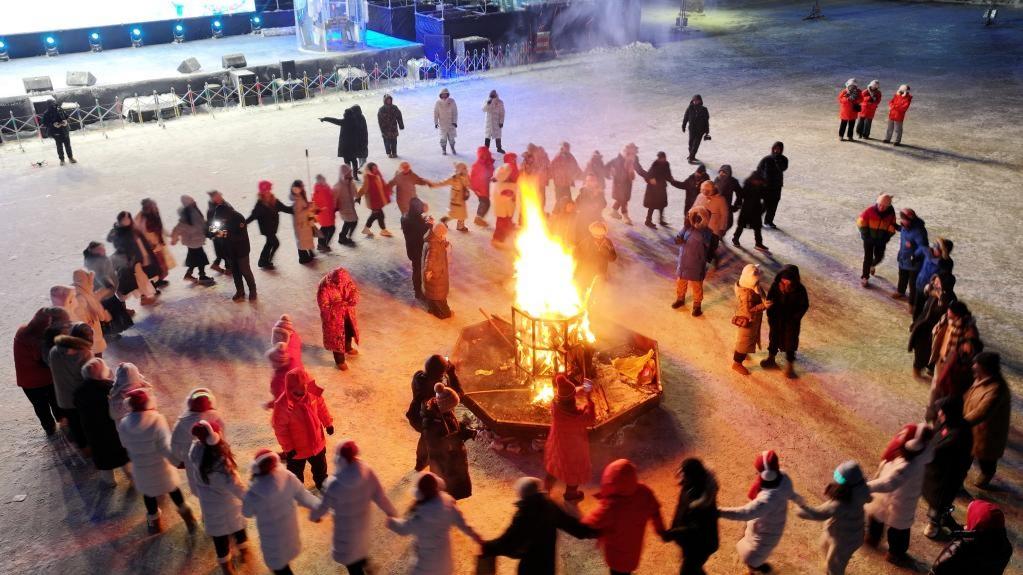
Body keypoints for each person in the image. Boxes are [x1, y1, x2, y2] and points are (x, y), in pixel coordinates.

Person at [310, 440, 398, 575]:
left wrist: (315, 516)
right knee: (360, 548)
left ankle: (363, 566)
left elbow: (323, 506)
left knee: (352, 563)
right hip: (362, 524)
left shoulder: (333, 484)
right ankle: (366, 563)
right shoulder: (367, 471)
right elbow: (380, 496)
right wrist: (391, 511)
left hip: (345, 531)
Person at [117, 388, 197, 534]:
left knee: (149, 494)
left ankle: (155, 522)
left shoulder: (123, 423)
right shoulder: (157, 419)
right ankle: (187, 515)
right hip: (161, 468)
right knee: (173, 489)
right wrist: (178, 462)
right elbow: (165, 447)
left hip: (141, 468)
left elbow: (124, 444)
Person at [482, 477, 598, 575]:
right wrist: (594, 530)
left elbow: (509, 541)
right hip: (547, 563)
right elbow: (572, 525)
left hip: (530, 566)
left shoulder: (523, 515)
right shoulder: (549, 506)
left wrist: (489, 547)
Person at [718, 450, 804, 575]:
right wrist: (801, 502)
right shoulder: (784, 478)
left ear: (766, 475)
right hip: (768, 527)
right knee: (752, 552)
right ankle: (758, 566)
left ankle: (755, 570)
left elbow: (745, 513)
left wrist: (718, 512)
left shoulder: (767, 499)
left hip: (765, 535)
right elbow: (791, 494)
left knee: (751, 558)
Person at [865, 423, 935, 566]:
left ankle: (895, 553)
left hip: (899, 502)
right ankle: (874, 539)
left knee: (898, 530)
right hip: (889, 499)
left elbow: (889, 483)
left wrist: (864, 487)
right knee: (879, 519)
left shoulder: (908, 466)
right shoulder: (917, 456)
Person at [243, 450, 322, 575]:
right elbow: (303, 495)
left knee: (280, 568)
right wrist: (317, 508)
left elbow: (247, 512)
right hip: (290, 532)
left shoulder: (254, 490)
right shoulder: (287, 476)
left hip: (271, 540)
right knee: (284, 563)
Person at [386, 472, 483, 572]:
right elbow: (464, 526)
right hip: (445, 564)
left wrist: (391, 522)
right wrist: (478, 538)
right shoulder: (448, 505)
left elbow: (403, 529)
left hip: (424, 568)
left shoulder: (419, 516)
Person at [583, 459, 666, 575]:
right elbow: (655, 511)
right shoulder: (644, 492)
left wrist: (578, 525)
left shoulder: (612, 506)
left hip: (616, 556)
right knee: (627, 570)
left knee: (617, 572)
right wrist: (660, 529)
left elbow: (593, 521)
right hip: (634, 552)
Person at [186, 421, 249, 575]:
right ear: (214, 437)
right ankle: (243, 549)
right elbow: (237, 487)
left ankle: (225, 566)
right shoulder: (221, 465)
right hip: (229, 506)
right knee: (239, 528)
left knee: (219, 537)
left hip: (209, 505)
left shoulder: (195, 451)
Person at [795, 461, 871, 575]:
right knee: (824, 545)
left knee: (835, 563)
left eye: (839, 479)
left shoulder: (841, 505)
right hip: (846, 533)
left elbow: (819, 514)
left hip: (845, 540)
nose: (835, 480)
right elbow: (869, 497)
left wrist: (801, 509)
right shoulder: (862, 490)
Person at [271, 368, 334, 490]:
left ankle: (323, 484)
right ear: (289, 389)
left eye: (304, 391)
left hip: (317, 443)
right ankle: (296, 490)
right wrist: (288, 447)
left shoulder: (312, 392)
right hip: (297, 449)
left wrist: (328, 423)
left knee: (320, 468)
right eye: (297, 393)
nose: (302, 395)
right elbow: (280, 429)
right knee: (295, 474)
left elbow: (321, 407)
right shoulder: (282, 405)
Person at [922, 398, 973, 539]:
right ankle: (942, 518)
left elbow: (938, 451)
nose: (939, 415)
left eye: (942, 412)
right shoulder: (947, 423)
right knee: (936, 499)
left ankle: (934, 525)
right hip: (934, 472)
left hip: (946, 477)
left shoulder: (959, 433)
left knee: (938, 502)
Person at [75, 358, 131, 485]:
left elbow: (77, 407)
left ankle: (109, 481)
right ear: (102, 373)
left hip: (93, 431)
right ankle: (129, 474)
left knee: (103, 457)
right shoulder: (110, 388)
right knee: (121, 454)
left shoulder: (79, 391)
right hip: (112, 430)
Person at [543, 374, 595, 502]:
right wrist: (589, 399)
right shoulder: (577, 419)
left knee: (554, 467)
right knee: (573, 473)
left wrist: (580, 388)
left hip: (557, 445)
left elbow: (566, 395)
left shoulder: (555, 406)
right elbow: (590, 418)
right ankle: (571, 493)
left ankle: (545, 490)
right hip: (573, 452)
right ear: (572, 399)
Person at [406, 355, 463, 472]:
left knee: (424, 438)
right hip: (434, 423)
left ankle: (420, 463)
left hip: (418, 416)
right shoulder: (439, 393)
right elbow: (459, 394)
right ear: (441, 374)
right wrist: (452, 373)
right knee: (435, 445)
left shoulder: (418, 377)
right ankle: (434, 467)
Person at [664, 458, 719, 575]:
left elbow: (695, 529)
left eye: (684, 473)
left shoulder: (701, 501)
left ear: (693, 476)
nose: (680, 474)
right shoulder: (691, 485)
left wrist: (674, 533)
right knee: (694, 569)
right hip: (690, 542)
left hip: (701, 545)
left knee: (687, 571)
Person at [963, 351, 1011, 489]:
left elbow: (981, 413)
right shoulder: (980, 378)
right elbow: (968, 396)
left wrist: (959, 424)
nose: (973, 367)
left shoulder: (997, 389)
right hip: (971, 428)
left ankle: (987, 475)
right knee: (965, 456)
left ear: (985, 368)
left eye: (976, 366)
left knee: (986, 459)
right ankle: (960, 479)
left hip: (988, 433)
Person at [928, 500, 1013, 575]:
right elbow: (980, 536)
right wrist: (954, 526)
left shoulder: (956, 550)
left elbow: (936, 571)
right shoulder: (1006, 548)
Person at [421, 382, 475, 499]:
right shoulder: (430, 421)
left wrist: (464, 429)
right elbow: (436, 444)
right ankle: (446, 505)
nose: (453, 409)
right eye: (452, 406)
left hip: (454, 459)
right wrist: (459, 435)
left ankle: (451, 502)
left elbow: (452, 426)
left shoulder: (445, 412)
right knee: (448, 491)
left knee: (458, 488)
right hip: (444, 464)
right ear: (444, 406)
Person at [13, 308, 62, 436]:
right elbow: (44, 360)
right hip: (44, 380)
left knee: (40, 407)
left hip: (26, 382)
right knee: (55, 402)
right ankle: (62, 423)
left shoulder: (22, 330)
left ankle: (49, 428)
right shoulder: (38, 339)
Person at [49, 321, 94, 451]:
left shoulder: (54, 350)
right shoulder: (84, 353)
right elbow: (89, 378)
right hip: (80, 398)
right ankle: (89, 446)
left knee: (74, 423)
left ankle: (83, 447)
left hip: (62, 396)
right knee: (85, 423)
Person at [763, 265, 810, 379]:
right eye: (784, 279)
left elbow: (804, 306)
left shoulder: (800, 289)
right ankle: (771, 358)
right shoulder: (775, 286)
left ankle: (790, 365)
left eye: (788, 279)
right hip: (776, 319)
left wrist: (795, 318)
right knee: (773, 338)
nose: (785, 281)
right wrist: (770, 313)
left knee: (791, 342)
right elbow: (769, 299)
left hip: (791, 322)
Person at [908, 273, 956, 379]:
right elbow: (923, 298)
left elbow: (946, 310)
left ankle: (930, 369)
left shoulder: (949, 299)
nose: (935, 283)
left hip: (936, 332)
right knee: (920, 351)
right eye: (935, 281)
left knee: (933, 352)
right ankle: (917, 371)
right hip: (923, 329)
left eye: (938, 282)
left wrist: (939, 296)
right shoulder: (934, 292)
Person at [107, 211, 159, 305]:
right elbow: (110, 239)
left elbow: (140, 245)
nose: (126, 221)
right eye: (124, 219)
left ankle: (143, 297)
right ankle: (141, 298)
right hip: (129, 260)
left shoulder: (130, 232)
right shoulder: (122, 232)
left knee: (138, 278)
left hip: (133, 259)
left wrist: (145, 257)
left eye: (127, 219)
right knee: (135, 279)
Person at [82, 241, 134, 335]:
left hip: (108, 291)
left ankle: (116, 324)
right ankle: (112, 332)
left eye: (103, 248)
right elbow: (100, 275)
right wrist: (108, 284)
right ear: (94, 251)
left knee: (116, 308)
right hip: (104, 294)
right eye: (101, 250)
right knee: (111, 313)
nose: (104, 250)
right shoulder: (95, 263)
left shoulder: (101, 258)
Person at [929, 301, 980, 398]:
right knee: (935, 387)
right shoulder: (945, 319)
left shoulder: (969, 329)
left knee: (947, 390)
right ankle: (933, 408)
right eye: (948, 312)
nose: (948, 314)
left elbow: (972, 351)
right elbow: (935, 331)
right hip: (940, 358)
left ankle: (939, 408)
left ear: (958, 315)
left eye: (950, 314)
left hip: (953, 365)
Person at [672, 207, 713, 317]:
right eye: (694, 217)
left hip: (697, 263)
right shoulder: (687, 228)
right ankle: (680, 299)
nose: (695, 219)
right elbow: (677, 237)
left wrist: (698, 228)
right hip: (684, 262)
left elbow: (706, 243)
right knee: (681, 282)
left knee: (697, 286)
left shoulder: (707, 232)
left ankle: (697, 305)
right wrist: (678, 239)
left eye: (699, 218)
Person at [171, 388, 227, 469]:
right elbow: (224, 438)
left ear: (190, 402)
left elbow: (175, 445)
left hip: (191, 463)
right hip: (215, 459)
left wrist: (180, 460)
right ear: (210, 401)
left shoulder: (182, 423)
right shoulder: (217, 418)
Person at [317, 267, 361, 370]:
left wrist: (353, 298)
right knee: (337, 339)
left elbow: (353, 290)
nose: (342, 285)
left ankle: (348, 347)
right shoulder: (324, 287)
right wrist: (339, 306)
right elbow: (324, 306)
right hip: (333, 319)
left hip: (347, 314)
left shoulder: (346, 281)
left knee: (348, 331)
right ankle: (340, 361)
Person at [732, 264, 772, 375]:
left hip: (751, 320)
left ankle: (741, 352)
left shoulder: (745, 285)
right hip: (748, 321)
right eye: (756, 282)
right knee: (744, 341)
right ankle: (737, 363)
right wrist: (764, 306)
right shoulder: (746, 295)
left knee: (745, 342)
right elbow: (749, 310)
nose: (758, 284)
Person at [245, 181, 293, 270]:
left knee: (269, 243)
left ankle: (263, 261)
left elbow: (286, 209)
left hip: (273, 228)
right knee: (275, 243)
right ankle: (266, 261)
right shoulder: (259, 205)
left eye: (268, 190)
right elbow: (253, 216)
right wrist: (244, 223)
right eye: (265, 191)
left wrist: (297, 208)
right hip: (267, 229)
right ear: (261, 192)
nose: (267, 192)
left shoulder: (274, 201)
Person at [170, 195, 215, 284]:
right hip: (194, 241)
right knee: (201, 258)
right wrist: (174, 238)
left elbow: (201, 224)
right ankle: (202, 276)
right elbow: (200, 224)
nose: (194, 201)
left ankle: (190, 274)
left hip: (193, 241)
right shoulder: (190, 213)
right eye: (192, 200)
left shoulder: (191, 211)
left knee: (194, 259)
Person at [856, 193, 897, 287]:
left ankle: (872, 265)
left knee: (879, 257)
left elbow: (892, 226)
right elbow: (860, 222)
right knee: (868, 258)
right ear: (877, 203)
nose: (881, 207)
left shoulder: (891, 213)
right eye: (880, 205)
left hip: (881, 240)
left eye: (884, 206)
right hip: (868, 239)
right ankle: (865, 277)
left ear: (888, 206)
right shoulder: (869, 210)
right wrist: (866, 236)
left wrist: (886, 238)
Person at [635, 151, 684, 229]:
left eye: (664, 158)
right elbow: (649, 176)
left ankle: (661, 220)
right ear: (659, 158)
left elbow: (668, 174)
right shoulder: (655, 165)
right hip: (653, 189)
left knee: (662, 205)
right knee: (652, 205)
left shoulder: (666, 164)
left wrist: (671, 179)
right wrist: (651, 180)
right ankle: (648, 220)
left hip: (661, 187)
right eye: (662, 158)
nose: (663, 159)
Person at [220, 203, 257, 302]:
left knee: (245, 271)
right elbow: (212, 229)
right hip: (229, 251)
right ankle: (240, 291)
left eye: (223, 218)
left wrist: (224, 234)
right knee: (236, 272)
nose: (222, 221)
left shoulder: (238, 218)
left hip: (242, 250)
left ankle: (253, 290)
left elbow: (241, 236)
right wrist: (212, 230)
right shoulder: (220, 217)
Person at [71, 269, 112, 355]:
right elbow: (91, 307)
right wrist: (103, 315)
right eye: (88, 281)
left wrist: (104, 290)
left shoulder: (82, 291)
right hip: (90, 328)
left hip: (89, 328)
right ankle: (98, 366)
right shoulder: (81, 297)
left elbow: (94, 300)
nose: (91, 284)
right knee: (95, 349)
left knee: (94, 348)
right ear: (85, 281)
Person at [320, 105, 368, 178]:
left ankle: (348, 175)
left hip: (345, 147)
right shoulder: (355, 122)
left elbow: (334, 120)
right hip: (353, 146)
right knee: (354, 161)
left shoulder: (344, 121)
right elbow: (361, 132)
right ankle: (355, 175)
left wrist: (325, 118)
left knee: (347, 162)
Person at [401, 198, 434, 300]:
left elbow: (416, 223)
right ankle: (418, 292)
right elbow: (424, 232)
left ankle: (418, 289)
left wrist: (424, 220)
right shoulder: (417, 222)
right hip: (418, 250)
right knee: (418, 270)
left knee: (416, 268)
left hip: (410, 248)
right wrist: (430, 224)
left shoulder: (405, 217)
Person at [136, 198, 174, 286]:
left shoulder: (155, 214)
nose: (155, 207)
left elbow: (160, 228)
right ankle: (154, 284)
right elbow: (140, 232)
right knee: (155, 266)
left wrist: (171, 235)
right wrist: (147, 243)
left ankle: (159, 280)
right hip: (150, 246)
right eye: (153, 206)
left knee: (162, 265)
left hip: (157, 243)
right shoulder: (142, 217)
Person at [893, 208, 928, 303]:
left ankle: (912, 303)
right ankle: (901, 291)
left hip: (914, 261)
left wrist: (913, 251)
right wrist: (895, 226)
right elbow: (902, 229)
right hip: (903, 258)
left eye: (904, 219)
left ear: (910, 220)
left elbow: (923, 247)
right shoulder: (905, 226)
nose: (902, 221)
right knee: (902, 276)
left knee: (913, 283)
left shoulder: (919, 231)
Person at [914, 238, 955, 317]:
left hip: (932, 290)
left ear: (943, 251)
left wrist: (932, 286)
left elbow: (944, 278)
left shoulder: (946, 263)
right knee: (917, 307)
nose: (934, 248)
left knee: (929, 310)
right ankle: (915, 322)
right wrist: (914, 257)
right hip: (920, 284)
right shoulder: (929, 252)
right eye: (935, 246)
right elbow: (922, 249)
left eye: (937, 247)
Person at [691, 180, 729, 266]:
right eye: (703, 190)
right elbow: (694, 208)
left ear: (712, 190)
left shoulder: (720, 199)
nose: (705, 193)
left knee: (711, 248)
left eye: (707, 191)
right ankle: (702, 262)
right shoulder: (700, 196)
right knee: (700, 246)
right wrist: (691, 220)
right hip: (701, 227)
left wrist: (722, 228)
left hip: (714, 229)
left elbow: (724, 215)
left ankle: (712, 260)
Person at [731, 172, 769, 252]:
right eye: (756, 180)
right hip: (746, 209)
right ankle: (735, 239)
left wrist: (762, 210)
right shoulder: (747, 185)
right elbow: (741, 195)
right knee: (741, 225)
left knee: (757, 228)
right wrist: (738, 205)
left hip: (756, 210)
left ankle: (758, 244)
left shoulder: (761, 186)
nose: (757, 182)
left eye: (758, 181)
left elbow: (766, 198)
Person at [422, 223, 453, 319]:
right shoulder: (434, 246)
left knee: (433, 295)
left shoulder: (434, 240)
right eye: (443, 234)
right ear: (439, 233)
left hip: (436, 273)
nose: (445, 236)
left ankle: (432, 309)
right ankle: (442, 313)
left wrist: (444, 243)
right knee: (439, 296)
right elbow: (429, 261)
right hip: (436, 275)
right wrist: (431, 272)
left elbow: (437, 246)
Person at [575, 221, 617, 288]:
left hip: (601, 273)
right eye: (596, 235)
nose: (599, 238)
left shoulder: (608, 242)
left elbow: (613, 258)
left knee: (598, 291)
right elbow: (576, 254)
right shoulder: (586, 241)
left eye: (601, 235)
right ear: (592, 233)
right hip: (587, 272)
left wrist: (605, 253)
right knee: (584, 289)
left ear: (604, 233)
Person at [756, 142, 788, 228]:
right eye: (775, 148)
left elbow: (783, 168)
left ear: (781, 150)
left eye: (778, 149)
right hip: (767, 186)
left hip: (777, 186)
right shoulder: (766, 159)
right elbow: (759, 169)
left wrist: (777, 160)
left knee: (774, 204)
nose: (776, 150)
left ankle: (768, 221)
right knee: (765, 204)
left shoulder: (784, 159)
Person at [433, 163, 473, 232]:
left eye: (466, 168)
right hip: (455, 199)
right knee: (455, 213)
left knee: (462, 213)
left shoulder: (465, 176)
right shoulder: (454, 178)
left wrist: (470, 187)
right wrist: (434, 185)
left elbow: (468, 184)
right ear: (460, 170)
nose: (466, 170)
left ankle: (460, 226)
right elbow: (443, 183)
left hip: (461, 198)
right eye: (464, 168)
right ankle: (445, 220)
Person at [357, 162, 394, 237]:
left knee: (377, 215)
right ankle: (380, 230)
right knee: (378, 215)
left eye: (376, 168)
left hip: (378, 199)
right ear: (370, 169)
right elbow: (364, 189)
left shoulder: (377, 174)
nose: (376, 170)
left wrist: (388, 189)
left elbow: (382, 182)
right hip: (373, 201)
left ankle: (371, 229)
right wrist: (358, 195)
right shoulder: (367, 177)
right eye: (374, 169)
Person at [607, 143, 639, 225]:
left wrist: (648, 176)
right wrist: (610, 173)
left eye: (634, 153)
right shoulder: (618, 160)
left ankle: (613, 211)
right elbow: (608, 168)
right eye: (630, 153)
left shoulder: (633, 159)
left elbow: (639, 169)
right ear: (626, 151)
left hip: (627, 184)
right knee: (623, 199)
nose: (632, 155)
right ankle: (625, 216)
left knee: (622, 199)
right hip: (619, 184)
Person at [289, 180, 318, 264]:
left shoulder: (300, 196)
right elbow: (298, 213)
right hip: (300, 223)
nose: (303, 188)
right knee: (301, 240)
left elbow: (304, 206)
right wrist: (308, 208)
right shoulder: (295, 200)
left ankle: (309, 252)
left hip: (305, 222)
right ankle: (303, 258)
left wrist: (309, 205)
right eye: (301, 186)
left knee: (306, 238)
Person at [492, 160, 518, 247]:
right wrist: (513, 193)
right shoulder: (501, 186)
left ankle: (507, 232)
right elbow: (507, 194)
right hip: (502, 210)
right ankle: (497, 239)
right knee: (501, 224)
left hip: (506, 209)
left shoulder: (503, 183)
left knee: (506, 221)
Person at [550, 142, 583, 209]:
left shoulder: (570, 156)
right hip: (558, 183)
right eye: (566, 147)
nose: (567, 149)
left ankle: (568, 215)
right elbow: (551, 168)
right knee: (559, 200)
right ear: (563, 148)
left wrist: (583, 176)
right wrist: (552, 177)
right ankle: (556, 214)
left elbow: (576, 167)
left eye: (568, 148)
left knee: (568, 200)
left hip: (567, 183)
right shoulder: (558, 156)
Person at [207, 190, 234, 273]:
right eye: (217, 196)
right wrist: (215, 234)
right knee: (225, 251)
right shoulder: (212, 210)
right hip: (220, 234)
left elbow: (232, 213)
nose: (220, 197)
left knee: (224, 251)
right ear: (213, 198)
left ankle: (218, 265)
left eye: (220, 195)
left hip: (227, 231)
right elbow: (211, 224)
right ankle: (228, 268)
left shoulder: (225, 204)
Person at [42, 100, 75, 165]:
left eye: (54, 103)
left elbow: (66, 116)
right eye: (52, 103)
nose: (54, 104)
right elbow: (44, 123)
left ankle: (70, 158)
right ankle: (62, 159)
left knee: (68, 145)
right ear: (48, 105)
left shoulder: (60, 109)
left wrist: (66, 121)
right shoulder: (46, 113)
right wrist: (53, 124)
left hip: (65, 129)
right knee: (59, 146)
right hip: (56, 132)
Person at [470, 147, 496, 227]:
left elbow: (489, 173)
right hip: (481, 188)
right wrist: (476, 189)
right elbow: (475, 177)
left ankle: (479, 217)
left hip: (483, 187)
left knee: (485, 202)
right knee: (485, 202)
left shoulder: (486, 163)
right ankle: (478, 217)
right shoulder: (479, 165)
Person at [335, 164, 360, 246]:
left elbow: (355, 192)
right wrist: (334, 207)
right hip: (343, 208)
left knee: (352, 221)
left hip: (350, 206)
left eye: (350, 173)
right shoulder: (338, 185)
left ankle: (344, 236)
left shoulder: (351, 183)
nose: (349, 175)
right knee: (350, 222)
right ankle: (343, 237)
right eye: (347, 173)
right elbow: (334, 196)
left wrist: (357, 197)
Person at [312, 174, 338, 252]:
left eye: (324, 179)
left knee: (330, 229)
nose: (324, 180)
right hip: (324, 213)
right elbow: (315, 202)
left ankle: (323, 244)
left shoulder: (326, 187)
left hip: (329, 212)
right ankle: (322, 244)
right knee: (327, 229)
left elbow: (331, 196)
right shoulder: (317, 190)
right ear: (318, 181)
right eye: (322, 180)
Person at [681, 94, 710, 163]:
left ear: (700, 101)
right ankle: (692, 156)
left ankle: (691, 158)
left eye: (696, 100)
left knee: (696, 144)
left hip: (700, 130)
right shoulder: (690, 108)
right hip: (692, 129)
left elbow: (706, 120)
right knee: (690, 143)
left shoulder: (704, 109)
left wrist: (707, 130)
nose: (695, 101)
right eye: (694, 100)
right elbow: (686, 117)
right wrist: (683, 125)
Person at [714, 165, 741, 233]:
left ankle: (719, 235)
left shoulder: (733, 181)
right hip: (716, 205)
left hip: (727, 206)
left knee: (729, 223)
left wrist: (736, 205)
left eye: (724, 172)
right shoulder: (717, 180)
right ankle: (715, 236)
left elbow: (740, 193)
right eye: (720, 172)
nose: (721, 174)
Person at [377, 93, 404, 158]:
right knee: (387, 142)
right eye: (387, 100)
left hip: (393, 128)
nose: (389, 101)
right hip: (385, 129)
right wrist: (382, 129)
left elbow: (399, 116)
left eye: (390, 99)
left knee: (394, 141)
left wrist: (401, 125)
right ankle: (389, 153)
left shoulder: (394, 107)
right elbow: (380, 120)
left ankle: (394, 152)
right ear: (385, 101)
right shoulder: (381, 109)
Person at [434, 88, 458, 155]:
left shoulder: (452, 101)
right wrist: (436, 122)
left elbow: (455, 112)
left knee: (451, 138)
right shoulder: (438, 103)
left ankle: (453, 148)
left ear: (447, 94)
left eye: (445, 94)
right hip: (442, 124)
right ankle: (444, 149)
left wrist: (455, 122)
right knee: (443, 139)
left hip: (451, 124)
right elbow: (436, 113)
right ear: (441, 95)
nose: (444, 95)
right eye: (443, 94)